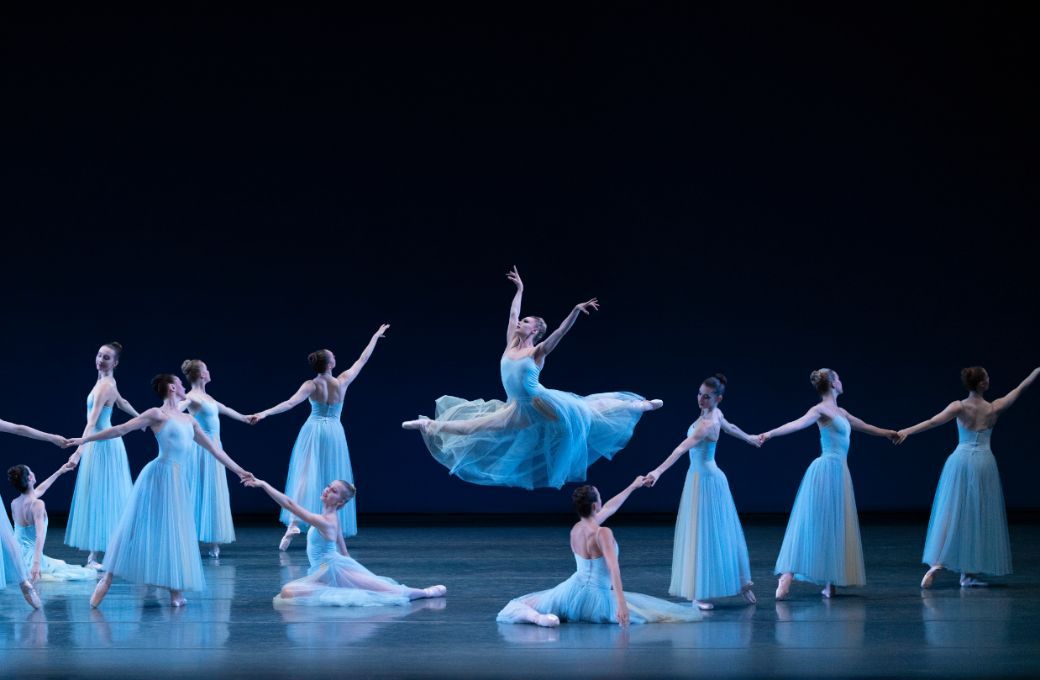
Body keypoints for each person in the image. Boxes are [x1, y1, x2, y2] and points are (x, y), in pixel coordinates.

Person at [404, 266, 662, 489]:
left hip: (543, 403)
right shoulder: (510, 345)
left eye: (526, 321)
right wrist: (520, 289)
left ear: (536, 329)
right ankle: (429, 425)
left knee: (590, 409)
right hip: (517, 409)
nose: (520, 322)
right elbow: (512, 315)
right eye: (522, 320)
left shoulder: (536, 352)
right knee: (475, 426)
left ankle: (638, 405)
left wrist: (575, 310)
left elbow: (560, 332)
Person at [68, 374, 252, 608]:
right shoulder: (157, 414)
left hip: (177, 479)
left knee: (175, 531)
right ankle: (107, 578)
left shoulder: (189, 420)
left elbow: (216, 451)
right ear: (172, 387)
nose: (184, 386)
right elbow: (120, 430)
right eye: (181, 384)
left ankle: (175, 592)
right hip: (157, 475)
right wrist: (83, 441)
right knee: (134, 527)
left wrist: (240, 471)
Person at [756, 369, 898, 599]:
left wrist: (888, 433)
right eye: (838, 378)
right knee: (812, 520)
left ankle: (830, 580)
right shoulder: (819, 410)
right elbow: (796, 424)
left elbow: (864, 425)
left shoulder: (841, 412)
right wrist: (770, 434)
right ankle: (787, 574)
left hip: (840, 472)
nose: (841, 381)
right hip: (825, 470)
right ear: (832, 383)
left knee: (835, 523)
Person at [249, 324, 390, 550]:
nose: (335, 358)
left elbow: (290, 403)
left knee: (305, 475)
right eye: (333, 357)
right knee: (332, 477)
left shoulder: (311, 384)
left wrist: (264, 413)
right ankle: (328, 527)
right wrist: (375, 336)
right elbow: (362, 359)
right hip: (334, 431)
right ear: (330, 364)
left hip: (313, 430)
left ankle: (294, 523)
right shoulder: (342, 381)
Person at [897, 366, 1039, 588]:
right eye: (987, 377)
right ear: (982, 384)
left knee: (950, 510)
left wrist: (906, 431)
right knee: (977, 515)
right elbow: (1020, 388)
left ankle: (938, 564)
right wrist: (1036, 371)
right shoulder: (994, 407)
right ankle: (968, 574)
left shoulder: (959, 407)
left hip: (960, 461)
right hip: (983, 463)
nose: (989, 379)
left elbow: (933, 421)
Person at [496, 477, 703, 627]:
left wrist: (633, 486)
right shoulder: (603, 533)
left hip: (569, 593)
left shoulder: (576, 529)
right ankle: (542, 619)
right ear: (595, 505)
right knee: (655, 613)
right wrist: (621, 604)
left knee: (518, 604)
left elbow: (610, 508)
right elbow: (614, 570)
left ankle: (539, 618)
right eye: (601, 498)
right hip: (597, 600)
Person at [645, 374, 760, 609]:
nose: (700, 399)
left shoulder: (706, 425)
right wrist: (749, 438)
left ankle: (706, 591)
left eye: (706, 396)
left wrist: (658, 471)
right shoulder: (714, 414)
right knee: (717, 532)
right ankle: (737, 584)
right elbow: (730, 427)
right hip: (708, 477)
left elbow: (680, 449)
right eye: (699, 394)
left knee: (704, 534)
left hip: (704, 481)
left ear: (718, 399)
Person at [246, 476, 446, 605]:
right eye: (329, 487)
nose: (327, 490)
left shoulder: (327, 522)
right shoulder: (331, 518)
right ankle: (337, 588)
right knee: (288, 592)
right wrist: (353, 572)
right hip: (326, 570)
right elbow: (344, 552)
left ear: (340, 501)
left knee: (391, 592)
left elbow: (290, 504)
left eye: (333, 491)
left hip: (331, 569)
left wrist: (263, 484)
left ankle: (426, 593)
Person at [65, 342, 140, 569]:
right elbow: (122, 402)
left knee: (104, 495)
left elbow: (92, 422)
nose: (100, 360)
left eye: (106, 358)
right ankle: (98, 555)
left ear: (115, 363)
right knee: (100, 495)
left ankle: (97, 556)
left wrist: (78, 452)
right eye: (99, 355)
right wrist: (142, 419)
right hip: (100, 443)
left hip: (103, 445)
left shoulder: (105, 386)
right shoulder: (106, 382)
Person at [181, 359, 253, 558]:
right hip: (201, 449)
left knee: (212, 490)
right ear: (201, 374)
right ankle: (190, 537)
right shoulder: (192, 397)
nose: (209, 371)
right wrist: (169, 413)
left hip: (214, 446)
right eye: (206, 369)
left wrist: (245, 418)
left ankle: (212, 540)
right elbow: (180, 406)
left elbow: (225, 409)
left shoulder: (207, 397)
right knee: (199, 489)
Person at [0, 419, 68, 609]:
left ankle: (24, 583)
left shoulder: (20, 502)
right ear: (30, 477)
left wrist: (59, 470)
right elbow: (19, 429)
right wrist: (51, 438)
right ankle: (24, 584)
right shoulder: (33, 503)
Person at [8, 462, 97, 584]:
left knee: (60, 565)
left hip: (16, 556)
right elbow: (40, 536)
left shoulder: (14, 503)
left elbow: (40, 490)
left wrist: (60, 471)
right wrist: (36, 563)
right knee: (81, 573)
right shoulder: (37, 504)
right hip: (30, 558)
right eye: (31, 471)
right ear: (30, 477)